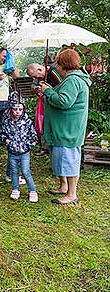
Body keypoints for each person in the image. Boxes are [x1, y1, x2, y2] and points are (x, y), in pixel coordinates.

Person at [39, 49, 91, 205]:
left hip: (68, 129)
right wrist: (48, 91)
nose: (56, 67)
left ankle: (71, 194)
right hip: (65, 128)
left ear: (64, 65)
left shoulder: (73, 80)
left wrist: (48, 90)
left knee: (69, 161)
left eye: (58, 63)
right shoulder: (71, 79)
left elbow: (64, 102)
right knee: (64, 159)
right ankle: (64, 187)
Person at [0, 92, 38, 202]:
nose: (17, 112)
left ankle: (32, 191)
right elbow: (2, 132)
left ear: (24, 109)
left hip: (24, 152)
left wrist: (27, 146)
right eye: (15, 109)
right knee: (14, 171)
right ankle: (15, 189)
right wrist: (7, 141)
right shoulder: (7, 122)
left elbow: (33, 137)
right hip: (12, 152)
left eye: (20, 109)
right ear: (10, 108)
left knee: (26, 171)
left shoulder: (27, 122)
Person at [26, 62, 62, 156]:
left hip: (56, 103)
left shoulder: (54, 72)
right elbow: (33, 86)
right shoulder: (40, 77)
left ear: (40, 70)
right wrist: (37, 89)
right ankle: (46, 146)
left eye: (36, 76)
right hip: (46, 102)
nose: (36, 79)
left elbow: (62, 87)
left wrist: (48, 89)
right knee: (43, 123)